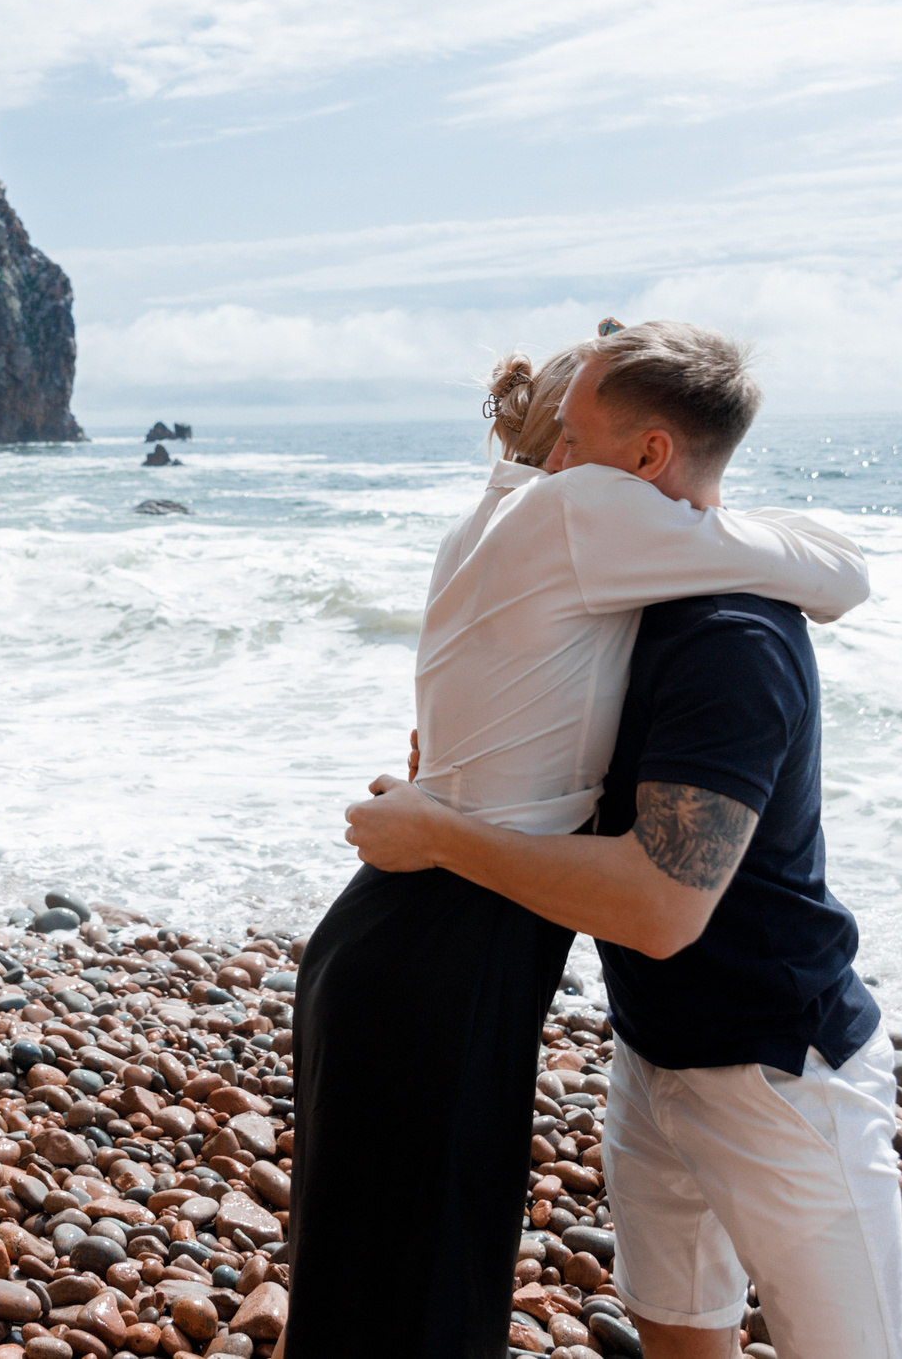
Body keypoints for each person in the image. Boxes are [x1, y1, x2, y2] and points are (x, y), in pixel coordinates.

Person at [286, 331, 871, 1357]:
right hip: (551, 997)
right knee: (410, 1299)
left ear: (643, 457)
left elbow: (648, 892)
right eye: (553, 439)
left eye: (574, 438)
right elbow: (841, 569)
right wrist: (440, 819)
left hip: (757, 1053)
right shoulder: (584, 533)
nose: (557, 461)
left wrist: (438, 817)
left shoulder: (653, 595)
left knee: (369, 1284)